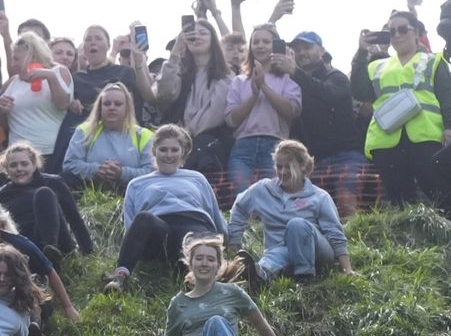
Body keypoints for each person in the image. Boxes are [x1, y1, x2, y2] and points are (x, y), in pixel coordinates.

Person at [350, 12, 451, 214]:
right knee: (399, 198)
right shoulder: (376, 65)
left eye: (403, 29)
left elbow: (447, 97)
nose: (397, 35)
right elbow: (359, 91)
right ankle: (411, 239)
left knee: (438, 191)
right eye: (392, 32)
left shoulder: (433, 61)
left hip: (425, 136)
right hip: (386, 140)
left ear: (417, 33)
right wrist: (360, 53)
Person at [155, 236, 285, 336]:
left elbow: (260, 324)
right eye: (199, 258)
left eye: (210, 259)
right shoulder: (178, 304)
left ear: (217, 265)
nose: (204, 263)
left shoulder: (232, 292)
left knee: (216, 322)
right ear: (190, 263)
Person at [104, 125, 226, 293]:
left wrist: (228, 240)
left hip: (193, 224)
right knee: (144, 218)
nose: (169, 155)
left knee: (193, 239)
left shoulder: (197, 178)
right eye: (163, 150)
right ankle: (120, 277)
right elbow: (130, 224)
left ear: (182, 153)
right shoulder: (137, 184)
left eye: (174, 150)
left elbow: (214, 212)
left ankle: (196, 280)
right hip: (159, 230)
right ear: (154, 151)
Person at [222, 140, 354, 288]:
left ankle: (305, 277)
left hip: (317, 251)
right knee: (276, 254)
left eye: (289, 167)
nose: (283, 172)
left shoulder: (319, 197)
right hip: (279, 250)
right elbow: (239, 207)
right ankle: (259, 275)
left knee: (296, 224)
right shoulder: (263, 189)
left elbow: (335, 232)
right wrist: (234, 243)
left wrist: (346, 268)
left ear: (303, 167)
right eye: (279, 166)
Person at [0, 197, 80, 319]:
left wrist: (68, 307)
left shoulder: (21, 245)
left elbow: (49, 271)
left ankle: (34, 328)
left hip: (23, 300)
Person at [285, 31, 368, 211]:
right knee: (312, 209)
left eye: (307, 47)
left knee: (346, 202)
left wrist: (295, 72)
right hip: (314, 159)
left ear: (322, 51)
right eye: (297, 49)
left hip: (346, 154)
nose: (301, 53)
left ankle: (352, 239)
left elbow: (326, 94)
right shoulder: (292, 83)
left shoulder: (337, 77)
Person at [224, 26, 302, 195]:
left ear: (276, 45)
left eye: (266, 42)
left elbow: (292, 111)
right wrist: (254, 93)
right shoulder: (239, 81)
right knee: (242, 198)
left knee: (272, 197)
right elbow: (231, 119)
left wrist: (264, 86)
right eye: (256, 42)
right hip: (243, 146)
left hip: (275, 145)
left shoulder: (287, 79)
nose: (260, 46)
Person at [153, 20, 233, 173]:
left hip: (208, 145)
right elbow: (165, 93)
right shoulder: (180, 72)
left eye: (203, 33)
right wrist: (175, 53)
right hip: (178, 147)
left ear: (213, 40)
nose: (197, 37)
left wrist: (189, 134)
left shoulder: (226, 77)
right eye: (192, 34)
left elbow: (216, 114)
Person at [0, 141, 94, 257]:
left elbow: (75, 219)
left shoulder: (53, 182)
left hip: (60, 244)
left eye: (24, 164)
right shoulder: (1, 194)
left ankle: (51, 249)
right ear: (6, 169)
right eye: (13, 165)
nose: (19, 169)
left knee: (44, 193)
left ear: (34, 165)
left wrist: (89, 253)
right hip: (26, 247)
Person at [0, 32, 72, 172]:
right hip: (18, 156)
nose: (13, 64)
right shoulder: (13, 82)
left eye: (16, 59)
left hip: (49, 153)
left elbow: (63, 104)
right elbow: (5, 125)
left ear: (32, 55)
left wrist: (50, 77)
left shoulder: (58, 71)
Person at [61, 82, 153, 191]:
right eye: (107, 104)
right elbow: (69, 165)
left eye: (118, 104)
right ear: (100, 107)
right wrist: (96, 170)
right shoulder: (83, 131)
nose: (112, 108)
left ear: (127, 108)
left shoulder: (144, 135)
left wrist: (122, 173)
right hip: (88, 197)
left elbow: (151, 172)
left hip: (132, 195)